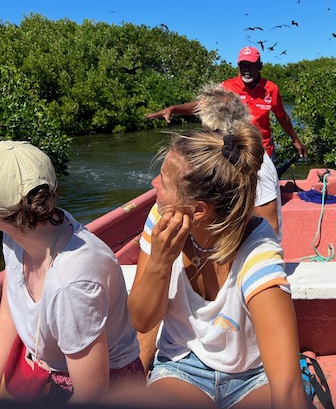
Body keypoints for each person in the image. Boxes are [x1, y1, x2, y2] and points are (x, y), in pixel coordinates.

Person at [128, 125, 308, 409]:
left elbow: (287, 389)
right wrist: (160, 263)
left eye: (164, 182)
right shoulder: (161, 219)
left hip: (254, 375)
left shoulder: (258, 254)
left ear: (198, 210)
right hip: (182, 366)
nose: (154, 184)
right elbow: (142, 321)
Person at [0, 140, 144, 402]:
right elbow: (8, 310)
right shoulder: (16, 236)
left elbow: (91, 394)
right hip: (45, 368)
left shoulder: (72, 283)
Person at [145, 46, 306, 160]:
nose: (247, 69)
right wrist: (173, 109)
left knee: (268, 192)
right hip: (236, 150)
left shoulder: (271, 88)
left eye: (251, 65)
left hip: (264, 150)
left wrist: (295, 140)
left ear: (260, 66)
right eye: (243, 65)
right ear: (238, 66)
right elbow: (203, 106)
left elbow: (282, 117)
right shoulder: (227, 87)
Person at [197, 83, 282, 240]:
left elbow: (271, 227)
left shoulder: (251, 161)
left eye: (205, 129)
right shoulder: (228, 153)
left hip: (254, 246)